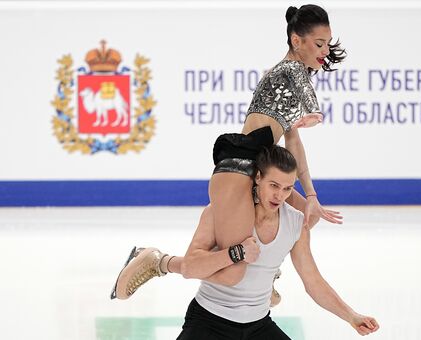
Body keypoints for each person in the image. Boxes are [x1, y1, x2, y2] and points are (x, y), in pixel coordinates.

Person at [111, 4, 347, 301]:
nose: (325, 50)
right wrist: (314, 110)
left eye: (327, 43)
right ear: (296, 41)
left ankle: (268, 272)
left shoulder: (291, 81)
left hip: (259, 168)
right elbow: (303, 85)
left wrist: (311, 195)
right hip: (240, 168)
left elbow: (294, 144)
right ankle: (156, 261)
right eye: (319, 44)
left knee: (304, 218)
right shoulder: (290, 70)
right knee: (233, 272)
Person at [177, 145, 379, 339]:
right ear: (258, 177)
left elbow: (313, 281)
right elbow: (189, 266)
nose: (279, 195)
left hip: (258, 325)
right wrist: (236, 253)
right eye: (274, 185)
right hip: (209, 320)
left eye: (287, 188)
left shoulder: (296, 222)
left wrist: (351, 316)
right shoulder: (221, 211)